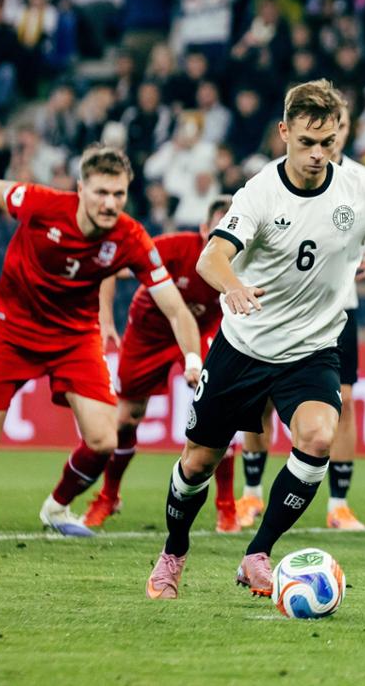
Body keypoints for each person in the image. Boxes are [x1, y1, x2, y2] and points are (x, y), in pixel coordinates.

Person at [145, 79, 365, 599]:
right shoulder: (259, 192)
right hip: (244, 347)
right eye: (306, 143)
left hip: (313, 348)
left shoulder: (359, 190)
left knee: (319, 437)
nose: (318, 154)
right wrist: (235, 287)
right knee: (198, 463)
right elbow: (212, 257)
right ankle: (173, 552)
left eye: (328, 142)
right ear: (284, 133)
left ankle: (257, 553)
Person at [0, 146, 203, 537]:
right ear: (80, 189)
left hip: (75, 338)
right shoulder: (44, 205)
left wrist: (192, 358)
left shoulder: (131, 238)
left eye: (119, 194)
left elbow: (176, 309)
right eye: (101, 193)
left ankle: (56, 509)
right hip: (12, 332)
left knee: (104, 440)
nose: (110, 204)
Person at [235, 101, 365, 532]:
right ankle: (250, 496)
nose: (330, 137)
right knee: (258, 404)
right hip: (276, 311)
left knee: (342, 405)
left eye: (337, 128)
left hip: (336, 314)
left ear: (344, 129)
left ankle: (339, 505)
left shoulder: (361, 182)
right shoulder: (275, 178)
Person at [86, 198, 240, 533]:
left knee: (220, 411)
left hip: (204, 332)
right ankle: (109, 495)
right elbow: (112, 264)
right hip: (149, 332)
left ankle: (227, 506)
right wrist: (105, 318)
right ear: (203, 230)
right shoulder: (176, 247)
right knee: (126, 417)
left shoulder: (246, 262)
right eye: (217, 228)